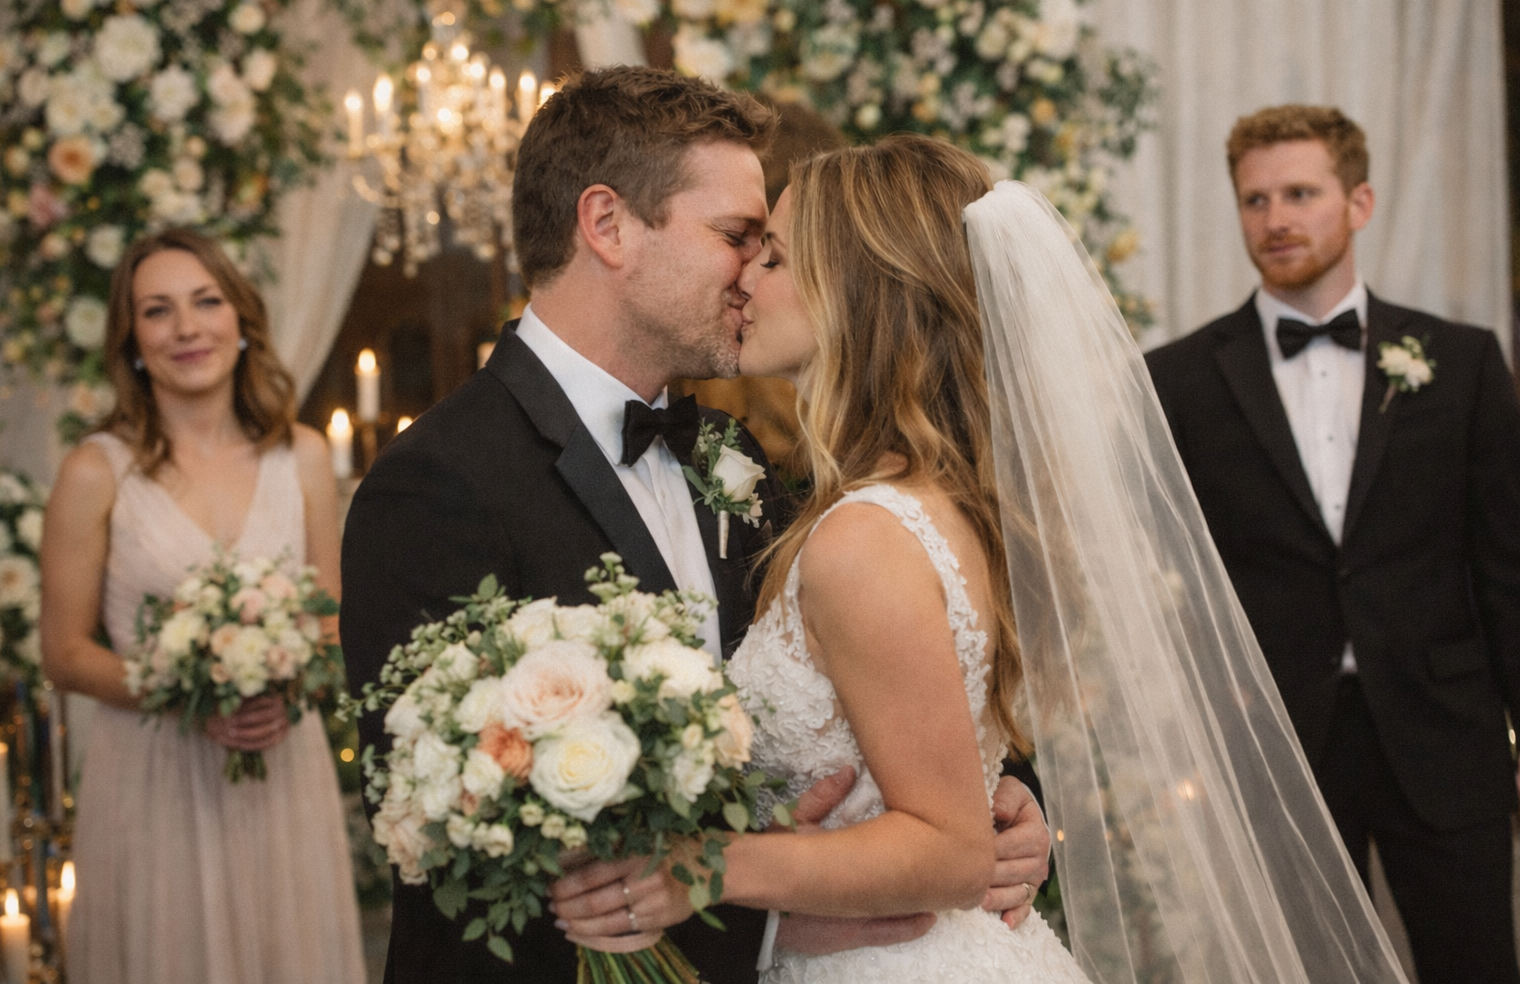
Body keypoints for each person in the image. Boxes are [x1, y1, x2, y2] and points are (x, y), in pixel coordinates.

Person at [553, 136, 1416, 984]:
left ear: (855, 291)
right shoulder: (933, 499)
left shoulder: (867, 534)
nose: (745, 278)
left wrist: (702, 868)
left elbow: (949, 848)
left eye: (773, 257)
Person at [339, 67, 1050, 984]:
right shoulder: (438, 483)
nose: (751, 271)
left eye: (767, 249)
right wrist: (767, 925)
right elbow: (443, 831)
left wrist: (1002, 801)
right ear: (608, 226)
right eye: (735, 236)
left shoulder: (728, 454)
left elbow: (888, 678)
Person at [1145, 105, 1520, 984]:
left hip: (1445, 730)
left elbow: (1505, 566)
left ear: (1360, 202)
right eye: (1256, 200)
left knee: (1478, 963)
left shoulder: (1461, 361)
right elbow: (1173, 575)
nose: (1275, 219)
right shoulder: (1176, 379)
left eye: (1300, 194)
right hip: (1278, 740)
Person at [39, 228, 366, 983]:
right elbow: (64, 653)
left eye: (206, 302)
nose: (186, 328)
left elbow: (329, 622)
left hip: (281, 772)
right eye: (157, 311)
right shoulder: (96, 471)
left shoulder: (302, 456)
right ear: (131, 342)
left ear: (242, 321)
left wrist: (289, 687)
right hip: (153, 778)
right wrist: (185, 694)